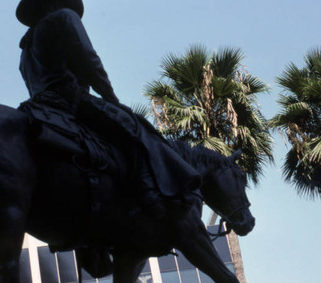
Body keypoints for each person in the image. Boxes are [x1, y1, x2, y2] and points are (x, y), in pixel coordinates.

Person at [16, 0, 201, 217]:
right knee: (135, 127)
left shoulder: (25, 47)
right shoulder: (64, 17)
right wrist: (111, 98)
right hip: (69, 100)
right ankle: (148, 191)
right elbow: (89, 60)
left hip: (39, 106)